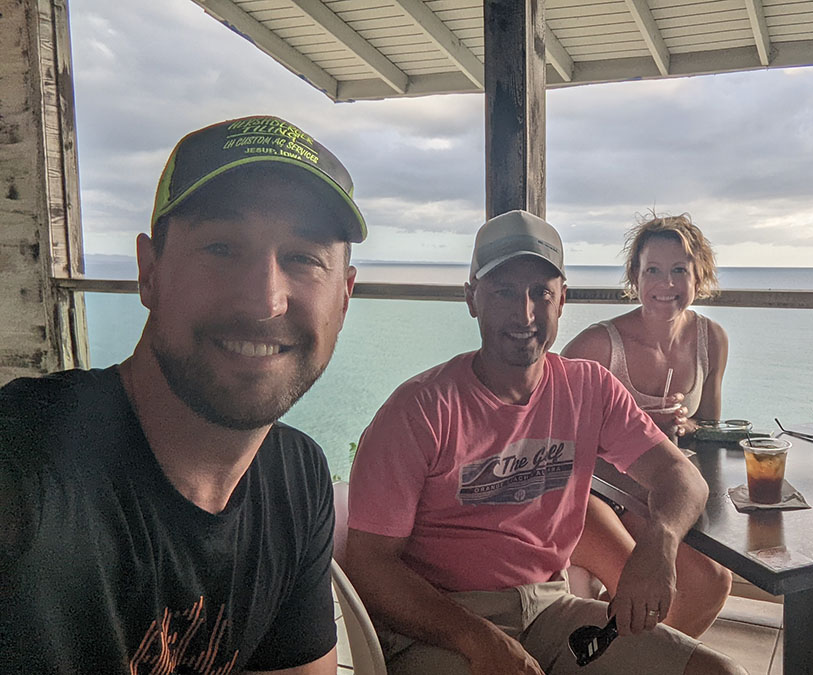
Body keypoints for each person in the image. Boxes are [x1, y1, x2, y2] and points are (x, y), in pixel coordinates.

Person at [0, 115, 363, 674]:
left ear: (344, 296)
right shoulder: (24, 470)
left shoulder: (296, 477)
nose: (264, 300)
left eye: (303, 258)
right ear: (150, 273)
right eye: (221, 247)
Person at [343, 210, 746, 675]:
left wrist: (660, 542)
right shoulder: (420, 409)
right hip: (441, 623)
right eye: (504, 292)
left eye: (541, 293)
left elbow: (682, 477)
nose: (525, 313)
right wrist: (479, 639)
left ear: (562, 300)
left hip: (548, 609)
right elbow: (369, 566)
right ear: (472, 298)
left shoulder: (589, 387)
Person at [561, 213, 732, 637]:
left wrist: (685, 426)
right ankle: (633, 651)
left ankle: (632, 654)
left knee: (712, 581)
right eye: (652, 270)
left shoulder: (711, 339)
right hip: (593, 492)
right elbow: (550, 431)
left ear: (699, 276)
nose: (666, 283)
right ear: (634, 276)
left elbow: (708, 428)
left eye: (679, 270)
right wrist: (629, 428)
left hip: (657, 493)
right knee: (663, 590)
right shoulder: (598, 345)